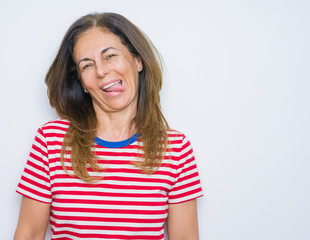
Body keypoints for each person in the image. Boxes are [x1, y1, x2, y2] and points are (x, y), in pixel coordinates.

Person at [14, 12, 203, 240]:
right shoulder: (51, 141)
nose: (101, 71)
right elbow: (30, 234)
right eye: (87, 66)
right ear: (83, 83)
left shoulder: (176, 149)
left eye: (110, 56)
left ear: (138, 60)